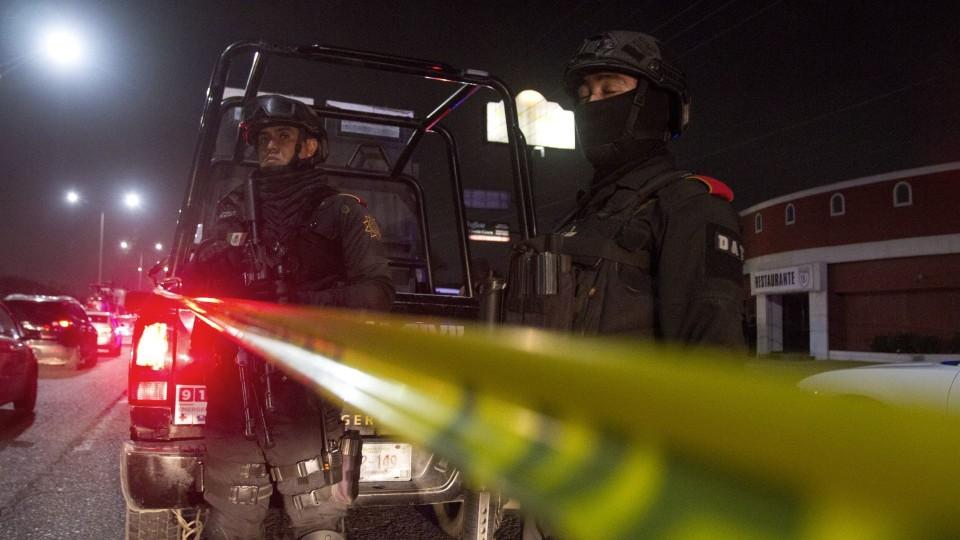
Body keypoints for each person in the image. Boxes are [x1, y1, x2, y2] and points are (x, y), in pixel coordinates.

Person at [189, 94, 394, 540]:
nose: (270, 144)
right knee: (230, 522)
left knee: (318, 520)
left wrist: (302, 301)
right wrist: (205, 266)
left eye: (283, 135)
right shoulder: (232, 208)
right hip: (235, 392)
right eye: (263, 137)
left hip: (306, 393)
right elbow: (200, 284)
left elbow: (377, 292)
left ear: (309, 146)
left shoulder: (342, 210)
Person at [509, 30, 745, 348]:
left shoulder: (690, 208)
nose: (592, 103)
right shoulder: (583, 215)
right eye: (584, 95)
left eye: (609, 90)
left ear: (657, 104)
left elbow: (713, 357)